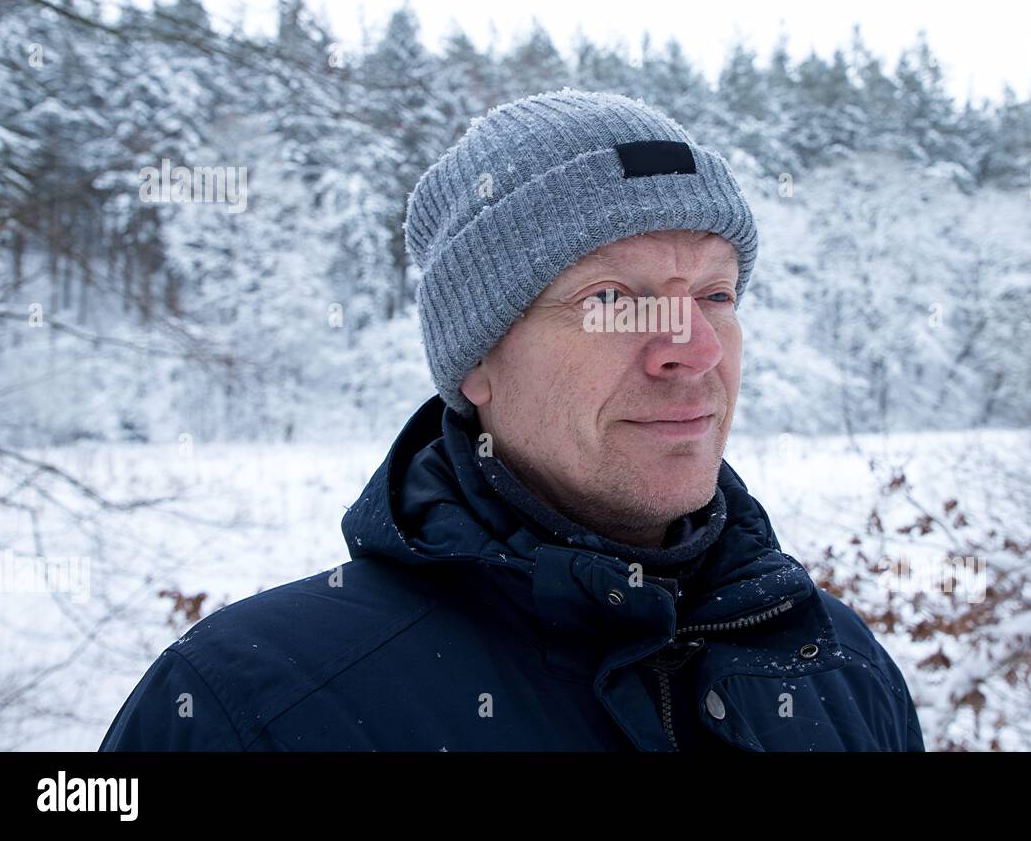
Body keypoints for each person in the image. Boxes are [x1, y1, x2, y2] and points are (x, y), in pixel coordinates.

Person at [99, 88, 925, 751]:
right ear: (476, 364)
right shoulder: (253, 706)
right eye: (611, 300)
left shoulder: (835, 665)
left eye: (715, 295)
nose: (695, 349)